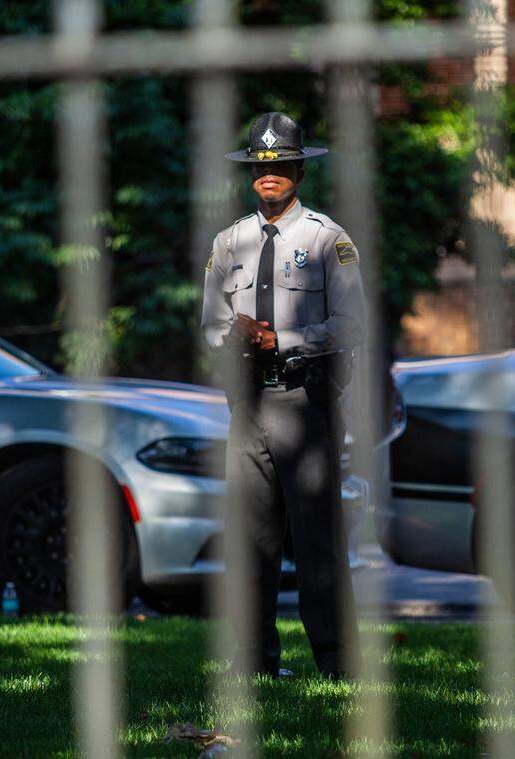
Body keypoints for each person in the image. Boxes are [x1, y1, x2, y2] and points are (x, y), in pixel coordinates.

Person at [200, 111, 365, 679]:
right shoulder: (230, 242)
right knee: (251, 542)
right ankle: (255, 666)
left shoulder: (327, 239)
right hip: (247, 408)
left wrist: (284, 340)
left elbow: (352, 322)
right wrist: (230, 342)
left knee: (318, 541)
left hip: (304, 403)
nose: (269, 176)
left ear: (298, 169)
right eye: (260, 168)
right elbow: (208, 324)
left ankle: (338, 665)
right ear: (251, 175)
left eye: (280, 166)